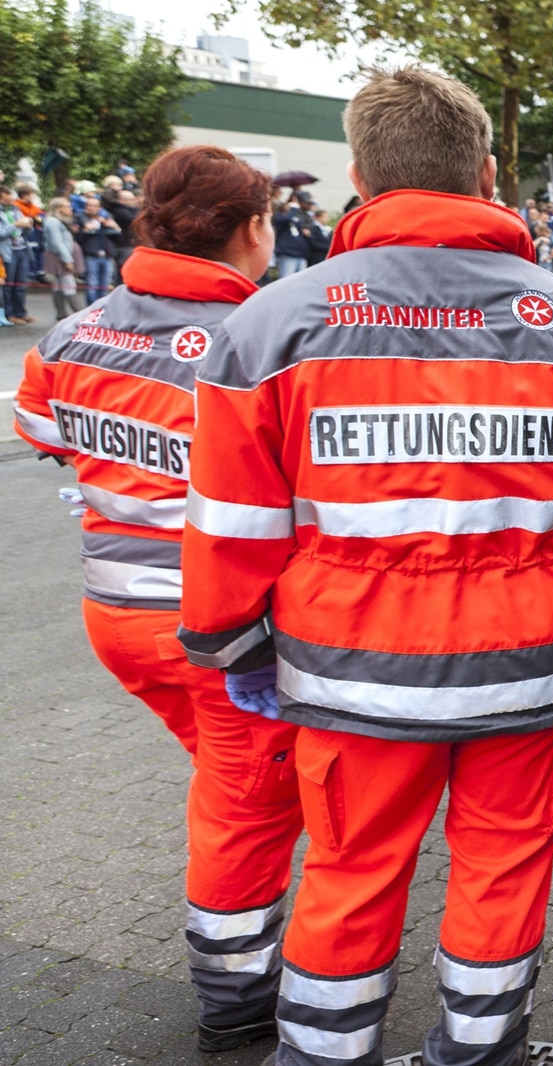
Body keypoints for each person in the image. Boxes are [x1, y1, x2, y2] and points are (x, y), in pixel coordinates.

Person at [176, 65, 553, 1066]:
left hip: (349, 674)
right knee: (501, 875)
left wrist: (229, 646)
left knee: (349, 873)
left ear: (360, 176)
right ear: (487, 173)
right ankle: (479, 1054)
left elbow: (232, 527)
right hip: (534, 669)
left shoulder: (269, 327)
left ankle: (320, 1055)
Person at [10, 145, 304, 1055]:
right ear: (253, 229)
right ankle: (235, 992)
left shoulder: (76, 330)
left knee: (231, 778)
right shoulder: (259, 337)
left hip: (116, 617)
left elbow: (42, 432)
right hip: (216, 627)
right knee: (246, 801)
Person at [40, 197, 82, 320]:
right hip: (60, 257)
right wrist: (67, 259)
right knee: (69, 284)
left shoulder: (60, 221)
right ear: (58, 208)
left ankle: (61, 313)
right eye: (67, 206)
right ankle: (80, 314)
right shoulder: (53, 222)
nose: (70, 209)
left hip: (61, 256)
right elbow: (57, 243)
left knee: (59, 285)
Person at [75, 194, 120, 303]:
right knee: (92, 284)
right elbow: (79, 238)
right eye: (89, 205)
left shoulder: (107, 217)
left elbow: (118, 237)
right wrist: (87, 230)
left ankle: (101, 309)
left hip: (107, 255)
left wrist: (115, 227)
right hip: (91, 255)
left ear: (100, 208)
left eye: (94, 206)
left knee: (105, 284)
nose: (91, 208)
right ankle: (91, 309)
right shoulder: (80, 218)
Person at [0, 186, 35, 323]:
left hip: (22, 249)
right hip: (8, 252)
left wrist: (28, 225)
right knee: (9, 286)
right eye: (8, 200)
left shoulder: (15, 209)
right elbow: (1, 233)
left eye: (12, 199)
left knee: (21, 284)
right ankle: (10, 315)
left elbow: (26, 231)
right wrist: (16, 224)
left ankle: (22, 313)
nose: (11, 202)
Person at [271, 191, 315, 276]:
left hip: (302, 254)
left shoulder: (306, 216)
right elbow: (282, 220)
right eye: (307, 203)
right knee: (286, 279)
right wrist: (293, 208)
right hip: (288, 253)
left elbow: (311, 230)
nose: (309, 205)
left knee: (301, 281)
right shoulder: (287, 214)